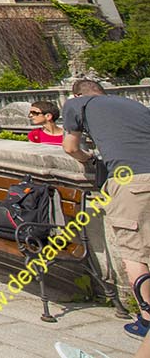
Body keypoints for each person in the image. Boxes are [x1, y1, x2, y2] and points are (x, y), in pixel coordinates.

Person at [61, 78, 150, 346]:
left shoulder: (77, 104)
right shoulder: (133, 104)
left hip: (130, 181)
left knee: (134, 251)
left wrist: (88, 159)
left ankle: (146, 319)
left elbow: (70, 147)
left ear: (76, 94)